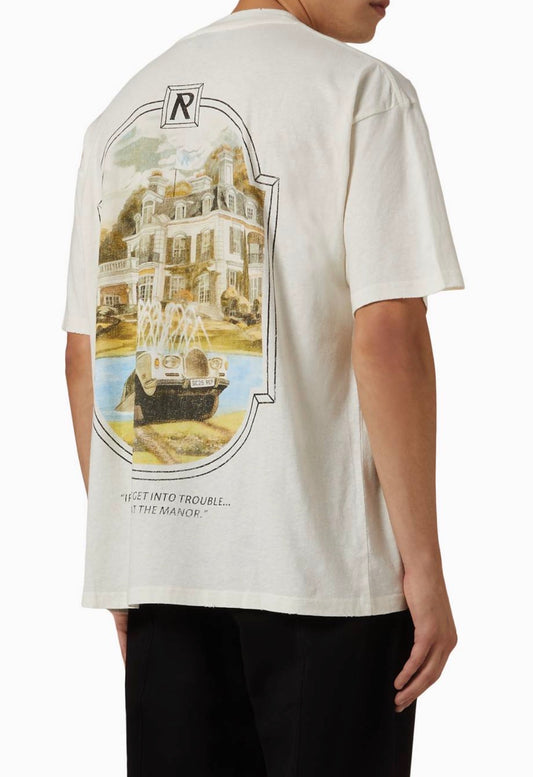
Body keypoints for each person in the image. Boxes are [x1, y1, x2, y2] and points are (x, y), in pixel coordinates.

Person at [62, 1, 465, 774]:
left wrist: (124, 562)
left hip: (163, 574)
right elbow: (388, 332)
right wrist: (422, 562)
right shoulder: (361, 92)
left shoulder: (118, 112)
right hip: (322, 575)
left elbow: (85, 356)